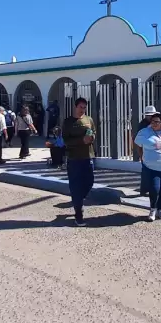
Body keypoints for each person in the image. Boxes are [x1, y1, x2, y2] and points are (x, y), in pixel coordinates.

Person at [62, 97, 96, 226]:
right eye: (80, 107)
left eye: (84, 107)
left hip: (88, 156)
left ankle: (78, 200)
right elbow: (66, 140)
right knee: (75, 186)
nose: (82, 109)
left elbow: (94, 132)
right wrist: (81, 140)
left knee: (89, 182)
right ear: (75, 107)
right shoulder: (68, 122)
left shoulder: (89, 120)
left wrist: (91, 137)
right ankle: (78, 214)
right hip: (74, 158)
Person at [133, 106, 158, 195]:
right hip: (146, 151)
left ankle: (150, 190)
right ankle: (145, 190)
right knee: (146, 172)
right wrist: (140, 153)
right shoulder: (143, 125)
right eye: (149, 115)